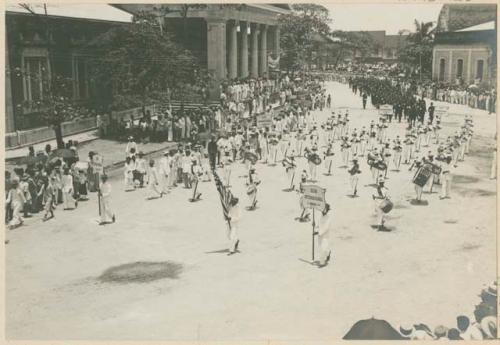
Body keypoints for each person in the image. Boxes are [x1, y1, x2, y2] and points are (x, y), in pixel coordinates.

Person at [315, 203, 333, 268]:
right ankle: (328, 254)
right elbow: (317, 224)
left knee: (323, 248)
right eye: (322, 210)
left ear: (327, 210)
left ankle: (322, 263)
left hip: (325, 236)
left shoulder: (328, 218)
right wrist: (316, 229)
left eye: (325, 210)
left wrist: (319, 232)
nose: (323, 211)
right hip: (319, 236)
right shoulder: (319, 217)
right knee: (321, 248)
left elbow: (326, 228)